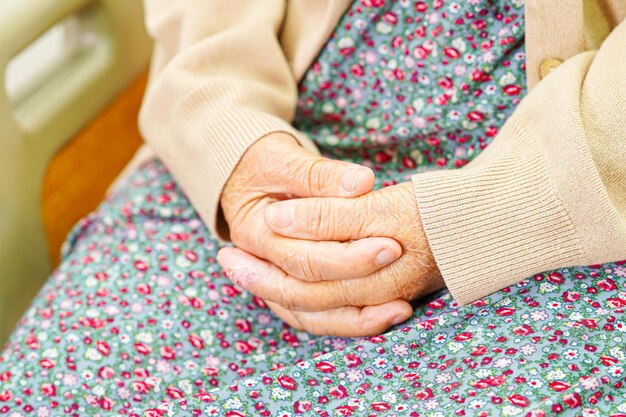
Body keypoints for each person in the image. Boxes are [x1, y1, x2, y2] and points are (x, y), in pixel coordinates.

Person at [1, 0, 625, 415]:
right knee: (50, 394)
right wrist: (235, 145)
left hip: (572, 184)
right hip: (281, 122)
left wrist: (472, 218)